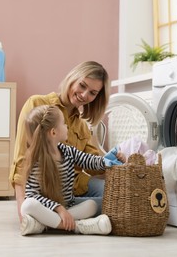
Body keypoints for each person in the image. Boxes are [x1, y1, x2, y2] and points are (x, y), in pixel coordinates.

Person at [9, 61, 115, 222]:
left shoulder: (82, 125)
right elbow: (22, 158)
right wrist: (22, 207)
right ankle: (63, 218)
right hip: (44, 191)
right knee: (106, 205)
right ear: (72, 78)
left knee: (117, 196)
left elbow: (93, 165)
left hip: (74, 189)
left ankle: (54, 220)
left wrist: (116, 160)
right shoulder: (37, 104)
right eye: (82, 85)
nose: (85, 95)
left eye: (93, 93)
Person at [20, 105, 115, 235]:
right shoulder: (38, 161)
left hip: (69, 206)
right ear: (53, 132)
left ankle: (43, 225)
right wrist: (59, 209)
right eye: (64, 123)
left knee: (91, 205)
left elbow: (89, 161)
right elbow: (32, 196)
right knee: (28, 205)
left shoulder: (67, 151)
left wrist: (109, 160)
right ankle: (78, 227)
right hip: (48, 208)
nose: (67, 127)